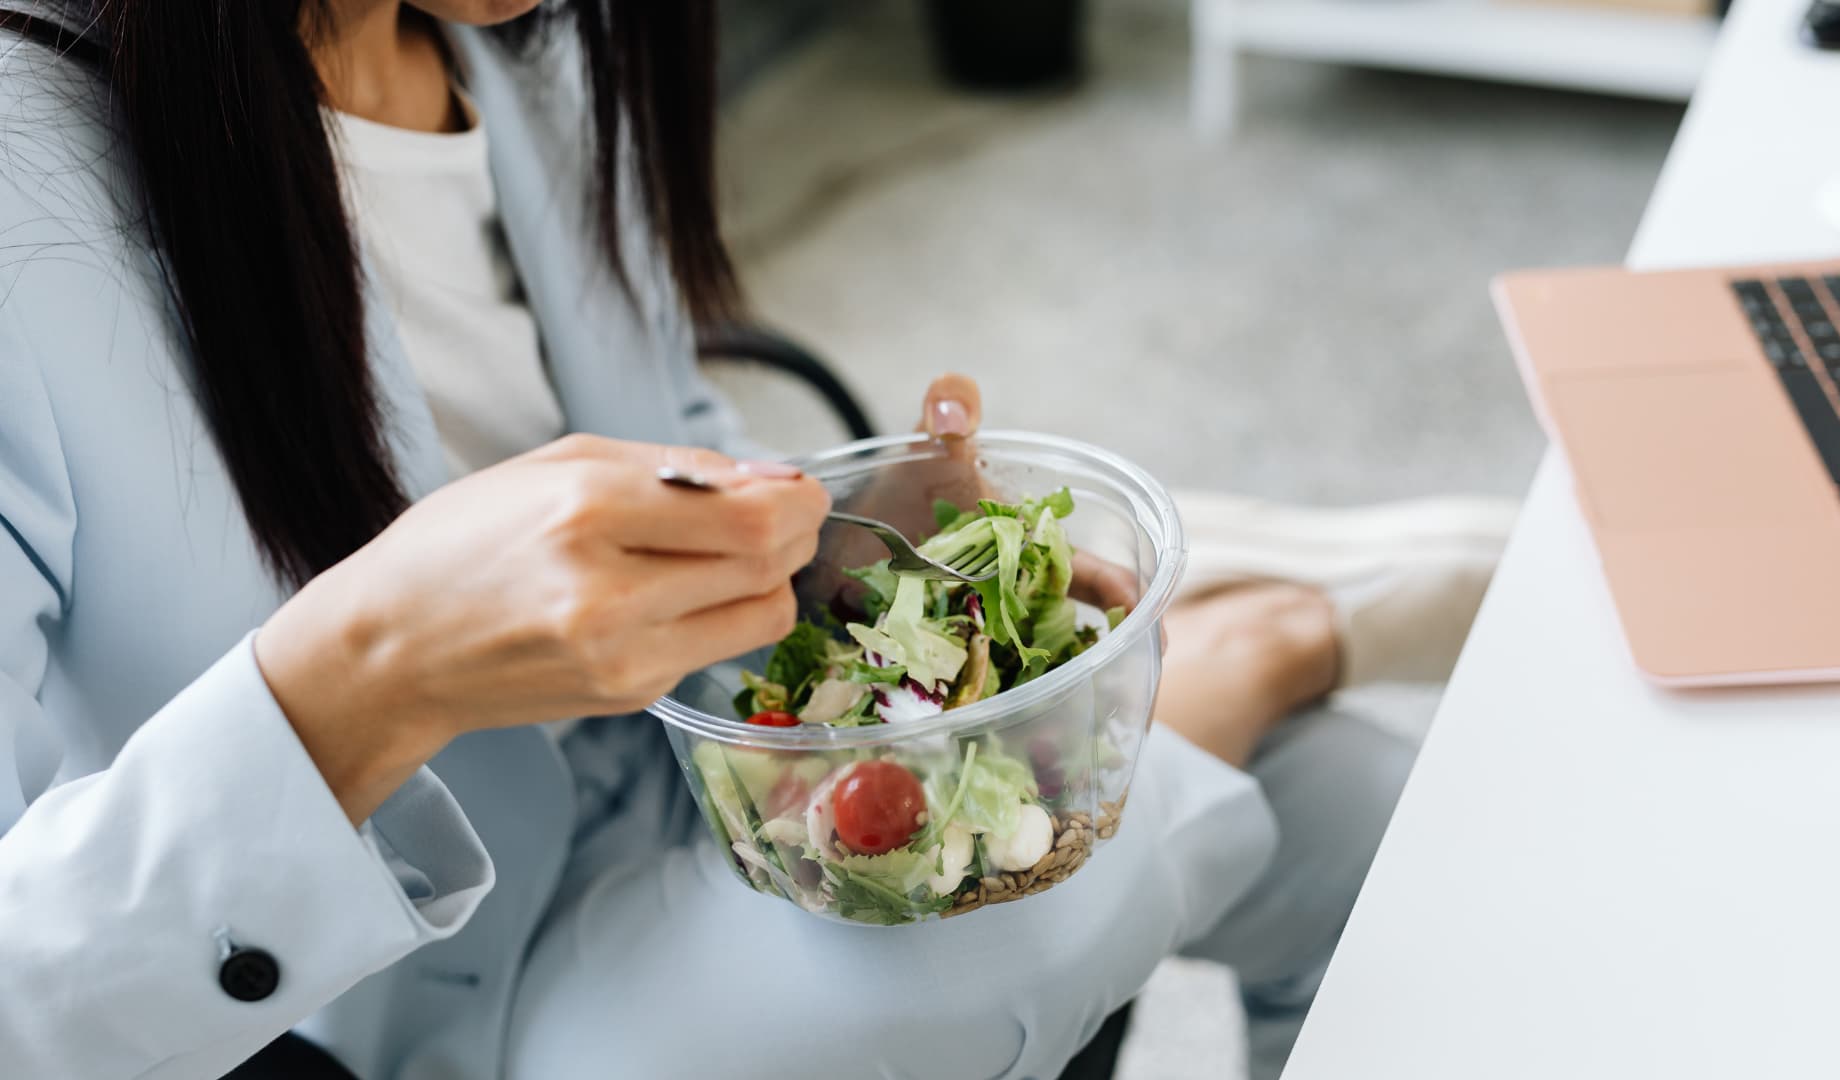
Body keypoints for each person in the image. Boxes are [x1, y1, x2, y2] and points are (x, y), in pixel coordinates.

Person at [0, 2, 1504, 1078]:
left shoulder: (530, 37)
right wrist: (364, 678)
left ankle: (1249, 657)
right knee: (960, 952)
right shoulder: (25, 197)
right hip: (429, 994)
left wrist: (824, 552)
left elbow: (666, 424)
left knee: (1397, 833)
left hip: (710, 779)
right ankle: (1262, 642)